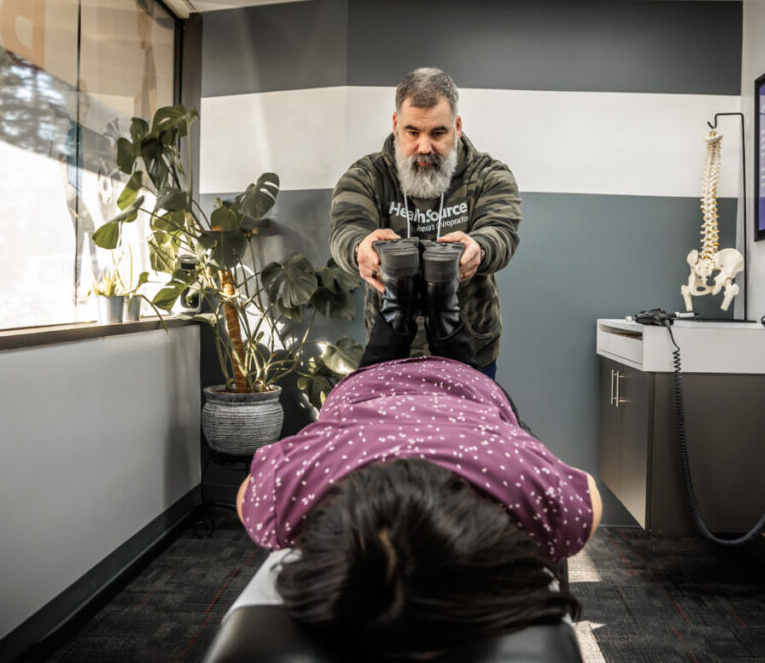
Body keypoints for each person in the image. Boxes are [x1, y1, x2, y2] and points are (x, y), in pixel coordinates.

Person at [235, 242, 602, 659]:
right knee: (400, 348)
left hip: (460, 395)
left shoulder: (514, 478)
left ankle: (407, 303)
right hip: (377, 396)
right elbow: (249, 493)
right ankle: (427, 306)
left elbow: (586, 494)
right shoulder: (302, 487)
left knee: (414, 341)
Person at [330, 67, 522, 380]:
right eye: (412, 132)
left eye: (437, 133)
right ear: (395, 125)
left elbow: (501, 231)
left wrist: (480, 248)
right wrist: (359, 248)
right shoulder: (366, 176)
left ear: (457, 127)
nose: (424, 147)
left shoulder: (489, 175)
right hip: (391, 350)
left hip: (470, 349)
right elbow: (346, 229)